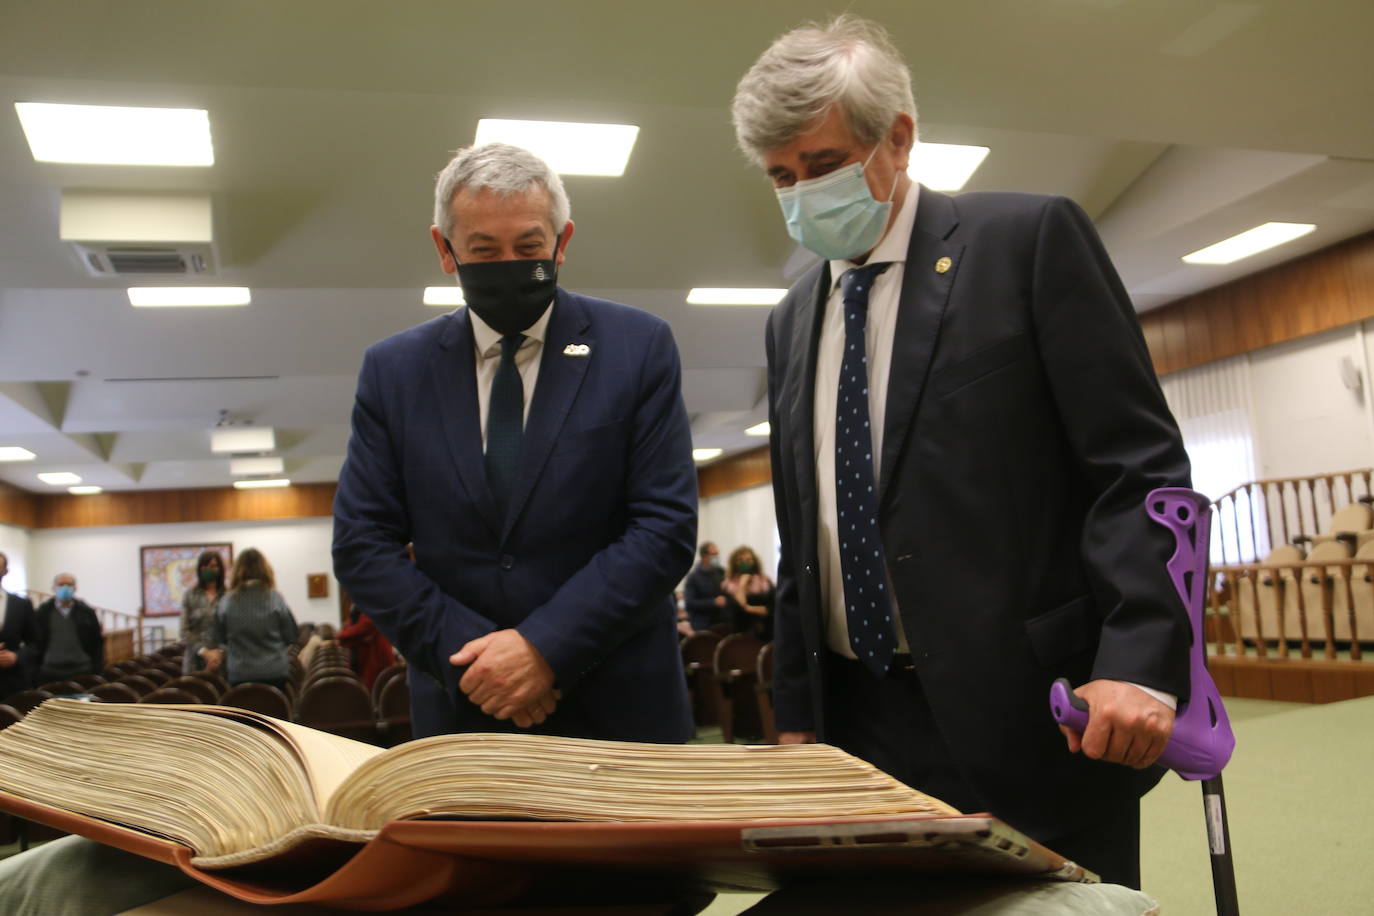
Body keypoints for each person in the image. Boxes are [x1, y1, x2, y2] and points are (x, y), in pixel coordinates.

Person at [732, 15, 1192, 887]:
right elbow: (808, 530)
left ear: (896, 140)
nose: (801, 195)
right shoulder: (791, 320)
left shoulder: (1028, 244)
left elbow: (1136, 473)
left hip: (1029, 716)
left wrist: (1138, 662)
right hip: (857, 728)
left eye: (823, 165)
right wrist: (796, 712)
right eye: (781, 178)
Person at [332, 142, 697, 742]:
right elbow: (362, 544)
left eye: (529, 248)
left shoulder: (638, 348)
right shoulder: (393, 371)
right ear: (444, 250)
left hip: (622, 708)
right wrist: (478, 660)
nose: (510, 264)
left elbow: (663, 527)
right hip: (465, 711)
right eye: (483, 249)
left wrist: (543, 649)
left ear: (563, 241)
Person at [206, 549, 297, 691]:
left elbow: (219, 638)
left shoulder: (226, 601)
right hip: (275, 673)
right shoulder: (275, 598)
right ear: (265, 569)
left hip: (240, 674)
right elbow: (291, 636)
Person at [32, 573, 103, 685]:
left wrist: (97, 669)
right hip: (50, 672)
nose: (65, 588)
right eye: (61, 584)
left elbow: (97, 641)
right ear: (53, 588)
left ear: (75, 588)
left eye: (69, 585)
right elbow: (35, 642)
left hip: (82, 670)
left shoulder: (87, 612)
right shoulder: (42, 612)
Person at [181, 551, 226, 674]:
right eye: (204, 566)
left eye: (213, 566)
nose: (208, 569)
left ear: (220, 569)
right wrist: (205, 652)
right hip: (194, 661)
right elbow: (184, 631)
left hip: (223, 661)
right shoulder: (190, 595)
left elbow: (234, 629)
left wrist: (218, 654)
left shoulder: (229, 595)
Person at [0, 552, 37, 698]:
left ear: (5, 571)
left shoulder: (21, 604)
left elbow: (35, 643)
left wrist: (17, 656)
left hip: (12, 682)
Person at [721, 545, 775, 641]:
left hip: (767, 631)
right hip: (741, 632)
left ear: (754, 562)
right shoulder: (727, 584)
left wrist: (748, 608)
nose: (744, 563)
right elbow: (739, 605)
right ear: (734, 562)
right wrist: (743, 584)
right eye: (740, 560)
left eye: (748, 560)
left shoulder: (765, 581)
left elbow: (772, 608)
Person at [336, 610, 396, 690]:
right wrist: (355, 639)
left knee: (374, 692)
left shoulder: (371, 606)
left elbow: (363, 628)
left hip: (375, 659)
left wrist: (342, 636)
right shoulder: (357, 607)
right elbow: (350, 631)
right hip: (362, 660)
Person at [682, 542, 726, 633]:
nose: (717, 557)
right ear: (704, 557)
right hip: (702, 624)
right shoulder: (693, 577)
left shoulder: (722, 573)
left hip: (721, 621)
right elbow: (689, 603)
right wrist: (713, 602)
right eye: (714, 554)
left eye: (717, 554)